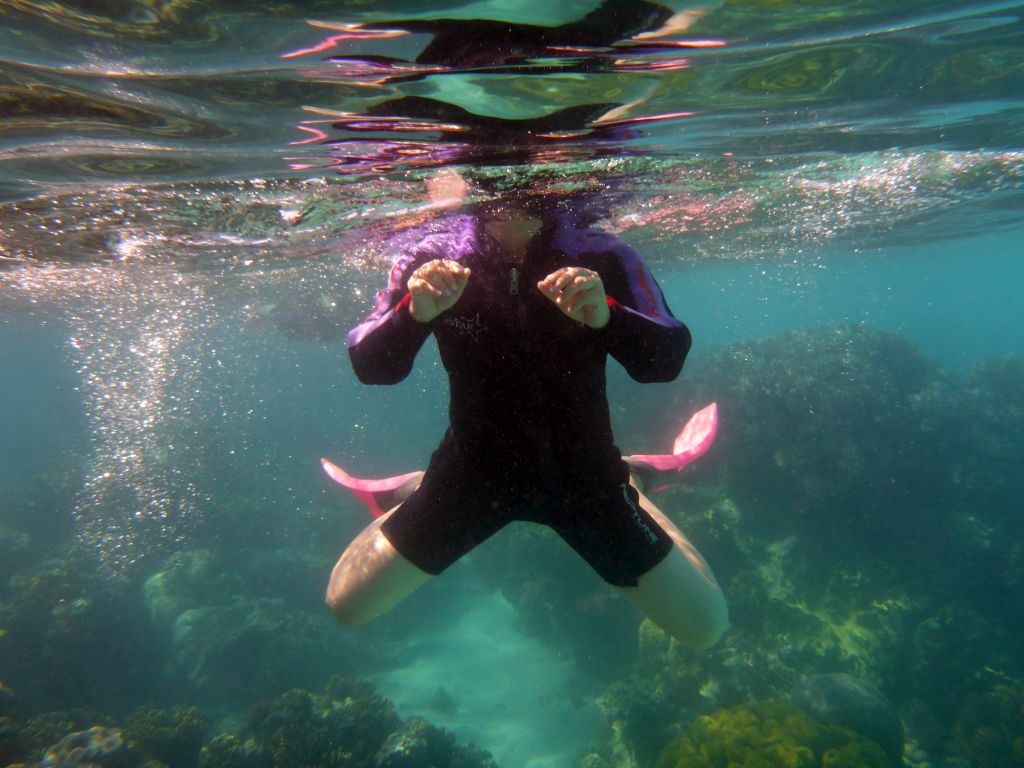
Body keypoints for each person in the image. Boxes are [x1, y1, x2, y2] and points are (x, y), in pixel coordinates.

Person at [326, 191, 728, 649]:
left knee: (706, 627)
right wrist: (412, 315)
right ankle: (418, 488)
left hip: (586, 480)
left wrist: (607, 316)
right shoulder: (429, 257)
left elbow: (664, 363)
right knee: (346, 606)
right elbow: (373, 367)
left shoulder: (603, 255)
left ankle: (631, 479)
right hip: (470, 477)